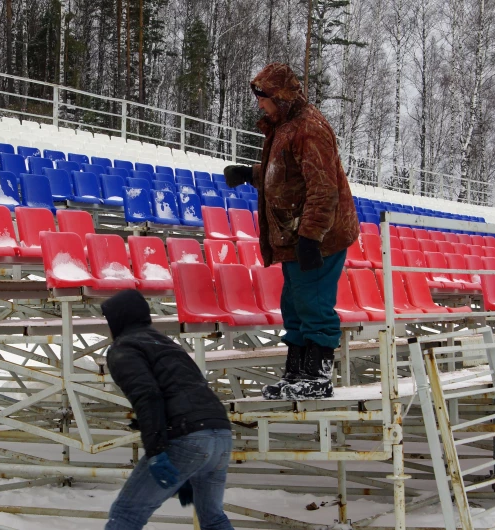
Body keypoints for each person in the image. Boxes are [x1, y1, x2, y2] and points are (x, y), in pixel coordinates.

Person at [223, 63, 359, 400]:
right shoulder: (286, 125)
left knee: (313, 304)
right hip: (294, 234)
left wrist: (312, 237)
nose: (260, 105)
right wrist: (248, 173)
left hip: (317, 236)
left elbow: (323, 187)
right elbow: (285, 175)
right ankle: (297, 372)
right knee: (294, 305)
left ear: (280, 97)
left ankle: (317, 376)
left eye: (264, 98)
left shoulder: (308, 129)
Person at [100, 289, 234, 530]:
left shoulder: (123, 348)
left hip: (187, 437)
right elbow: (184, 389)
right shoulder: (165, 343)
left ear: (118, 319)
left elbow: (148, 395)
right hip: (220, 434)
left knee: (126, 514)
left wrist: (157, 451)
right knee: (213, 518)